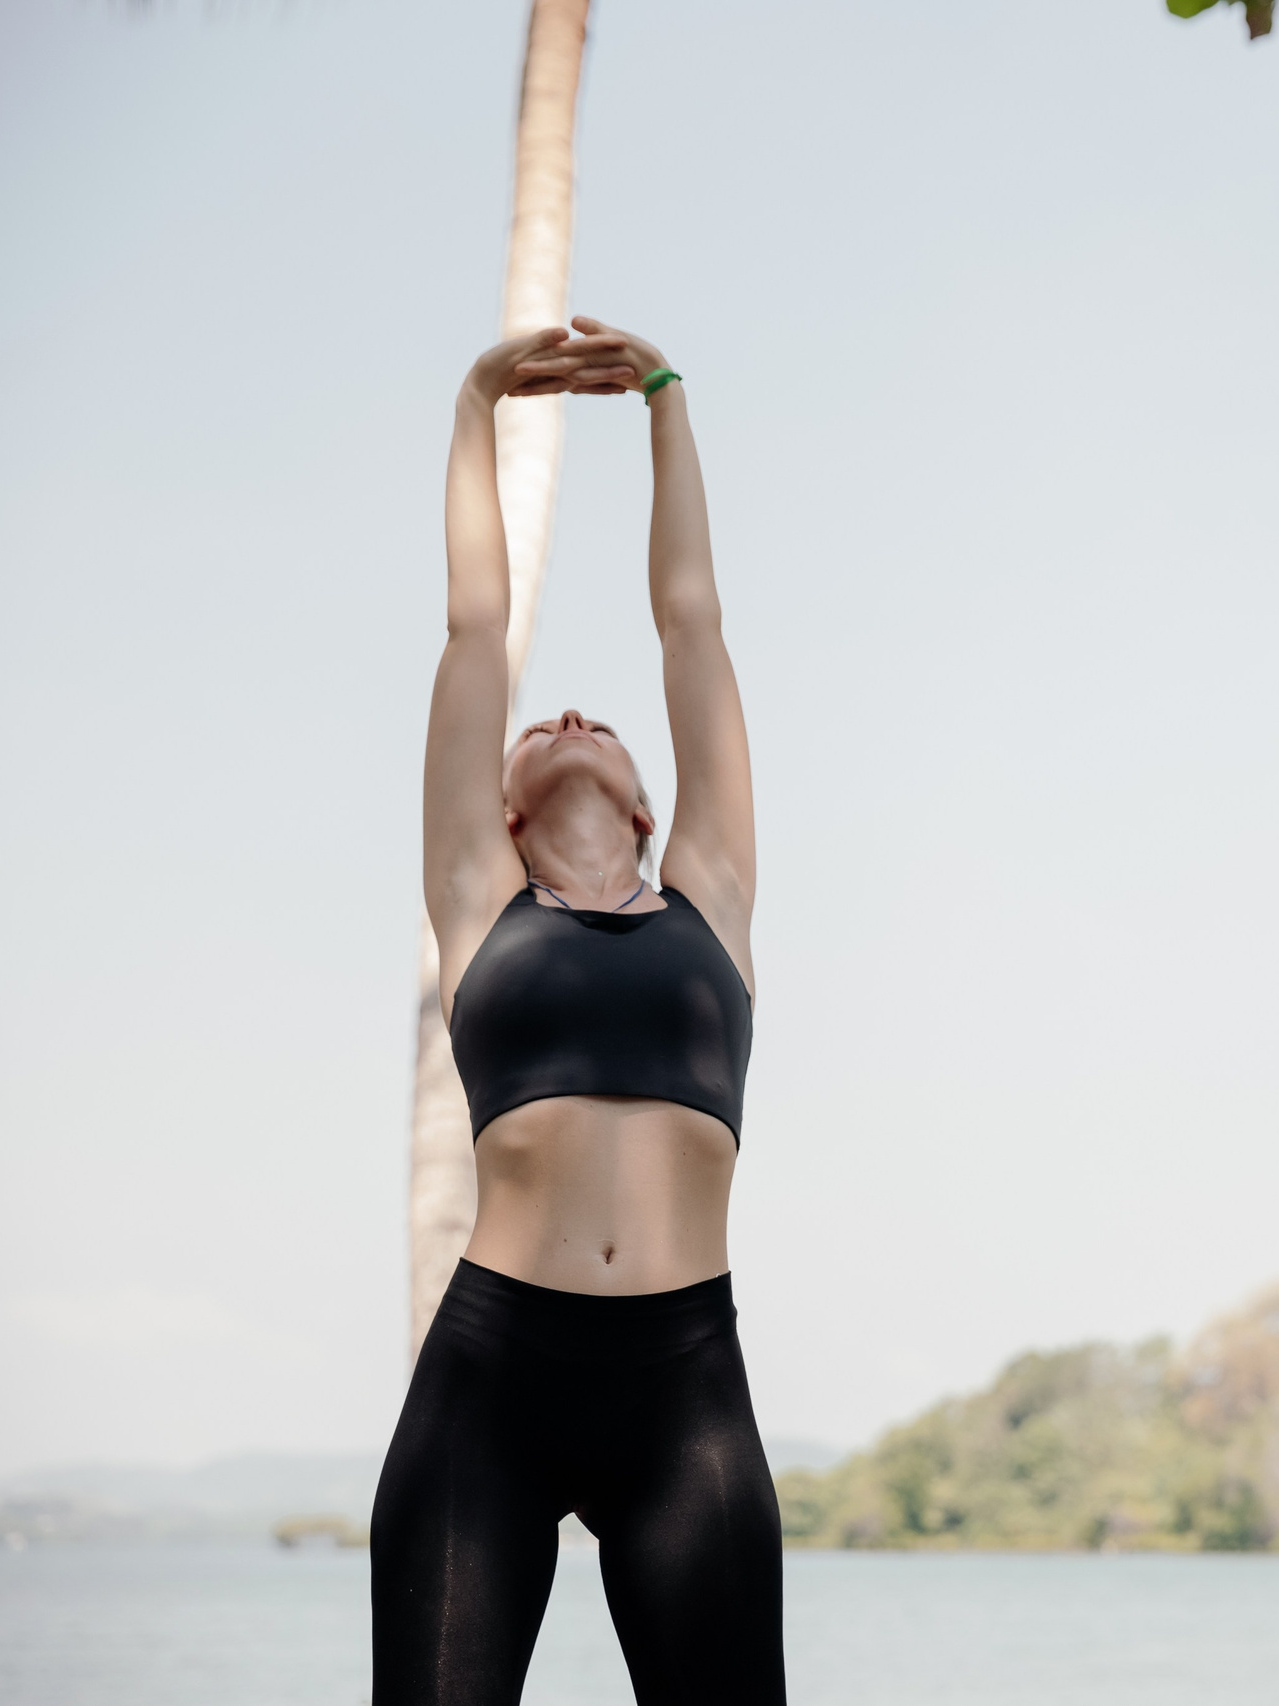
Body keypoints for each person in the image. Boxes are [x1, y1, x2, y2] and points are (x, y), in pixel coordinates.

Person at [371, 318, 783, 1705]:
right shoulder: (479, 900)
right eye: (542, 720)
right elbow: (475, 625)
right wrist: (478, 398)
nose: (570, 711)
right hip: (492, 1374)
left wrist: (666, 395)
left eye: (596, 720)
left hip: (686, 1387)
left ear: (653, 802)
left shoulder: (707, 897)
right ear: (498, 808)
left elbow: (692, 620)